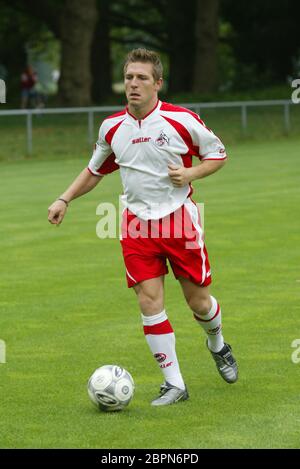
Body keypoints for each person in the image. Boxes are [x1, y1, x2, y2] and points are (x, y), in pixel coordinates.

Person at [48, 48, 238, 406]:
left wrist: (191, 172)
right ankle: (174, 384)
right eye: (129, 78)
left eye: (142, 78)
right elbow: (94, 170)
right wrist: (64, 199)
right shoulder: (112, 127)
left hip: (179, 220)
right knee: (149, 302)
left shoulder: (181, 120)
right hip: (136, 225)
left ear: (158, 83)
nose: (133, 85)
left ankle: (218, 344)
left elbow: (218, 154)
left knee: (198, 302)